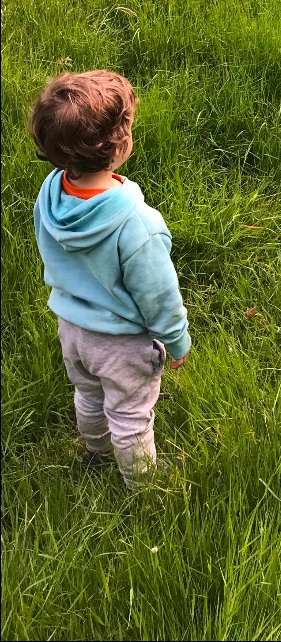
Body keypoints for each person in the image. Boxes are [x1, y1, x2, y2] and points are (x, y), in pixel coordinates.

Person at [29, 70, 190, 485]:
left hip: (73, 329)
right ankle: (142, 485)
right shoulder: (136, 223)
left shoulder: (51, 195)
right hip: (121, 343)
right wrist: (177, 341)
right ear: (120, 144)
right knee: (130, 413)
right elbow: (159, 295)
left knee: (89, 393)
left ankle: (96, 450)